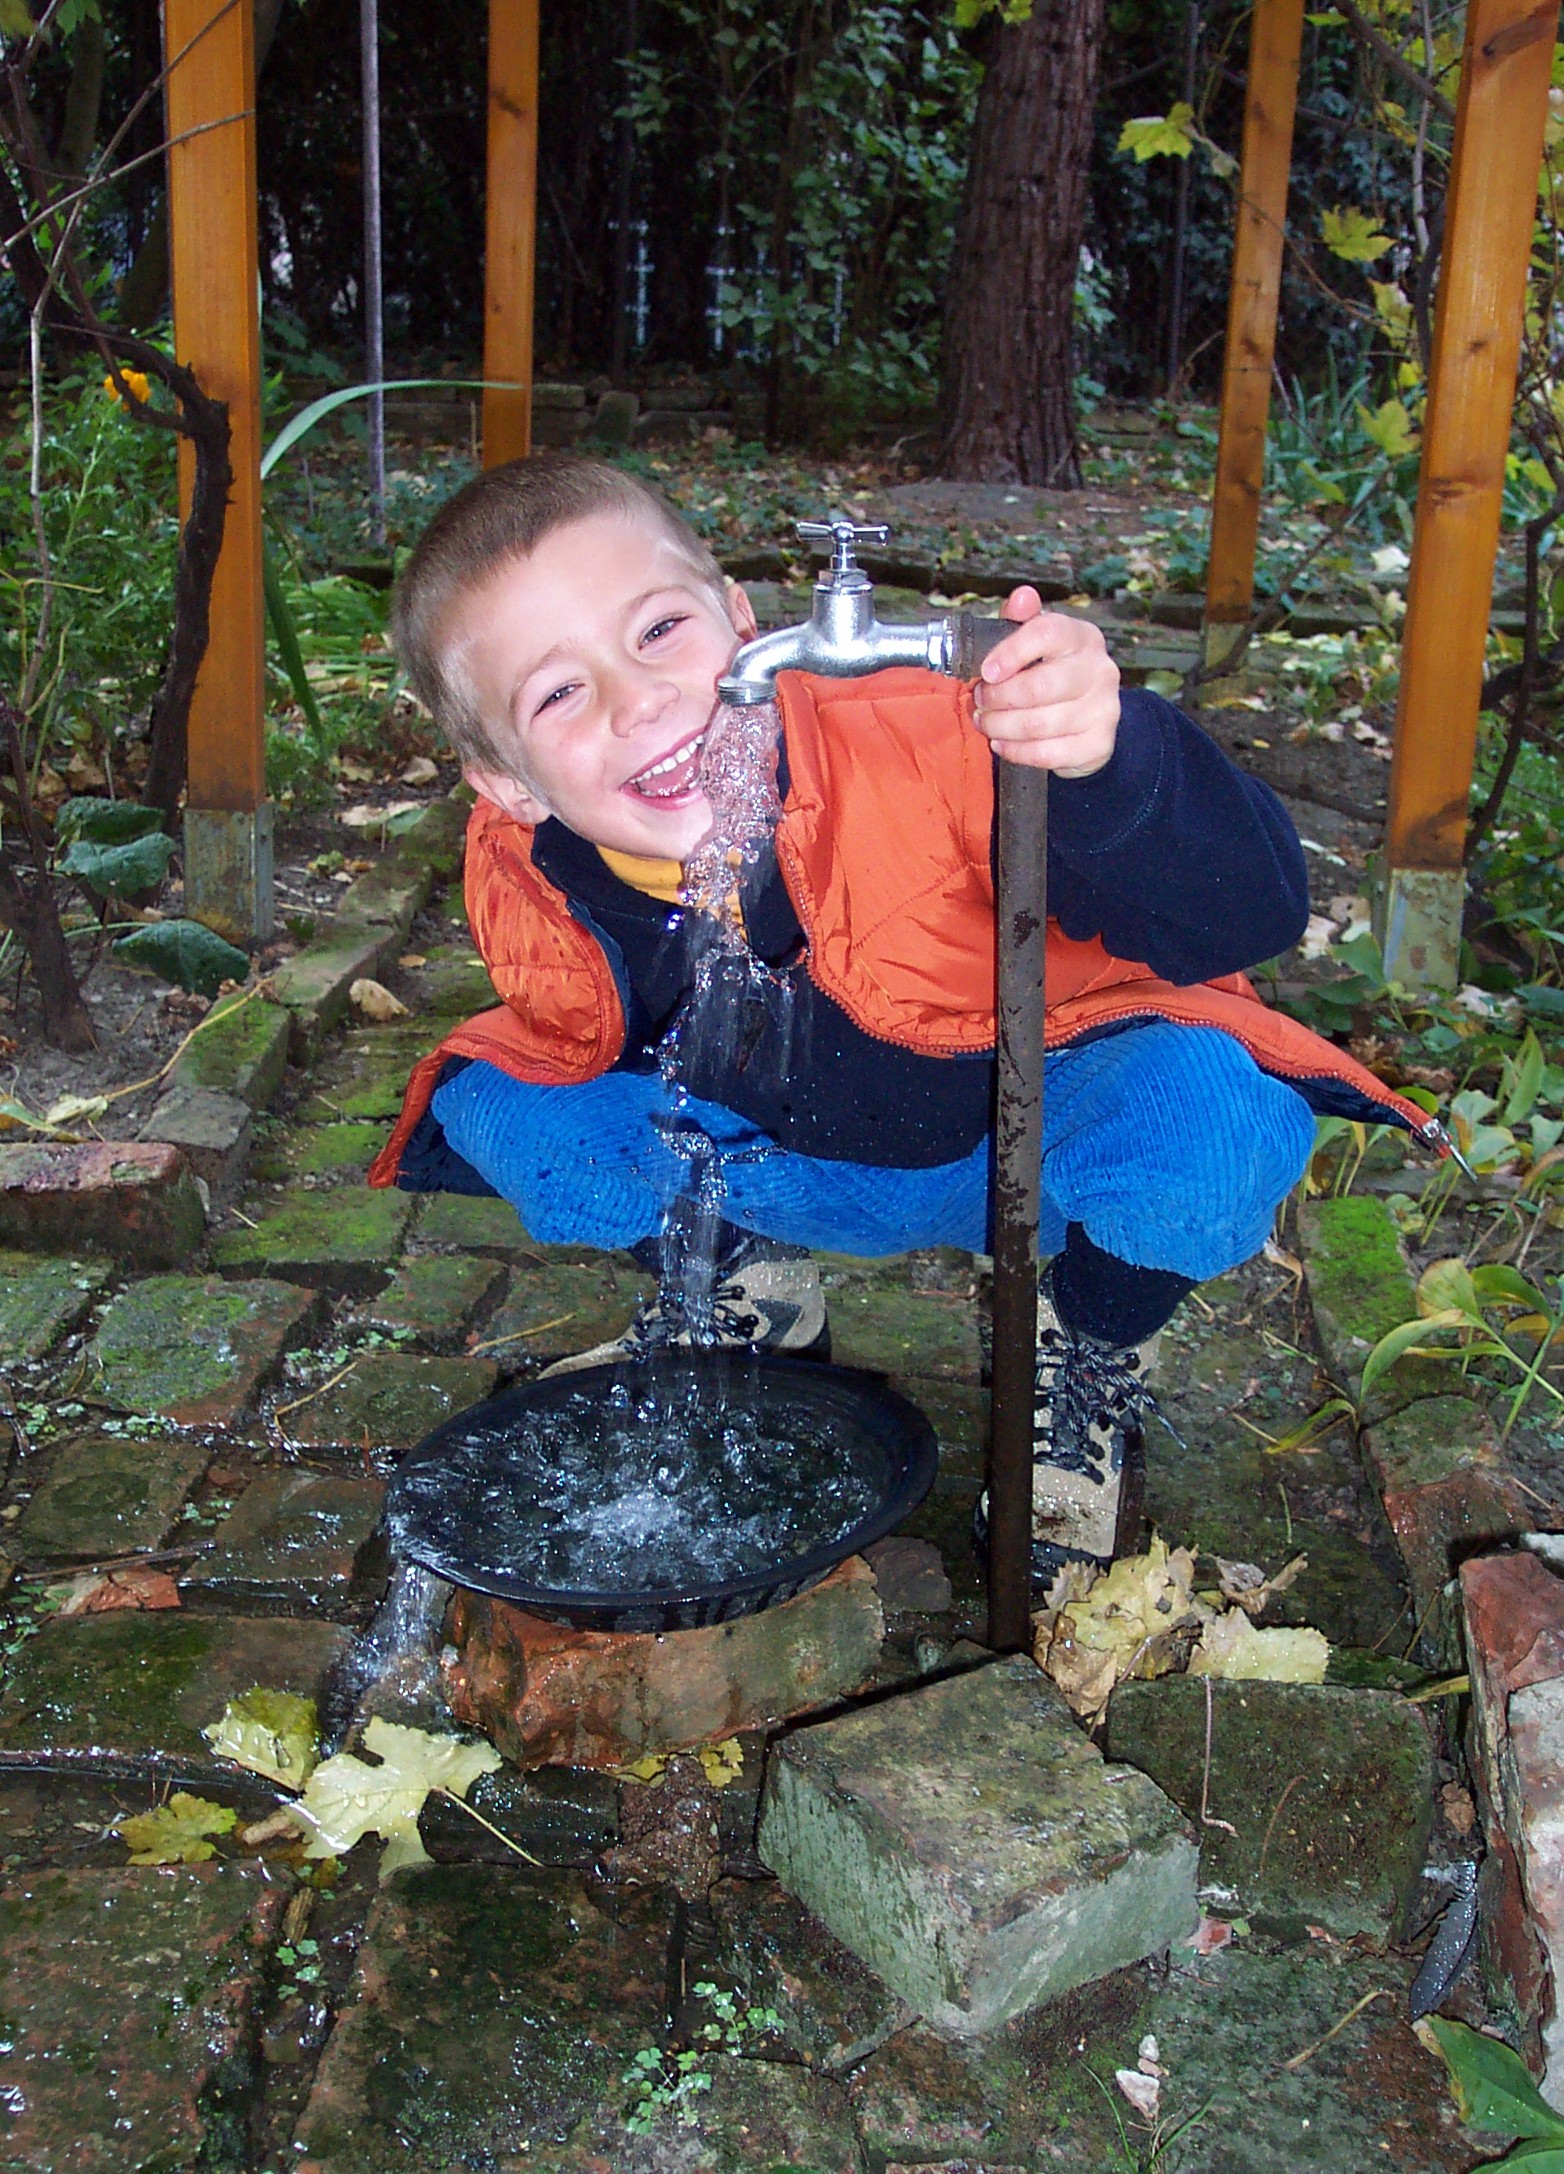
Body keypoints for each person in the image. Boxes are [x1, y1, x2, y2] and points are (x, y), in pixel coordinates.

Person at [370, 453, 1432, 1582]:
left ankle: (1087, 1346)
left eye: (657, 630)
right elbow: (580, 1041)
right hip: (796, 1165)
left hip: (1042, 1139)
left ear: (744, 617)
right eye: (557, 693)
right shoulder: (531, 869)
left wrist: (1108, 755)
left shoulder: (939, 735)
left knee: (1217, 1123)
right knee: (494, 1098)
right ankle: (747, 1288)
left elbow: (1250, 910)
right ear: (507, 780)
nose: (638, 702)